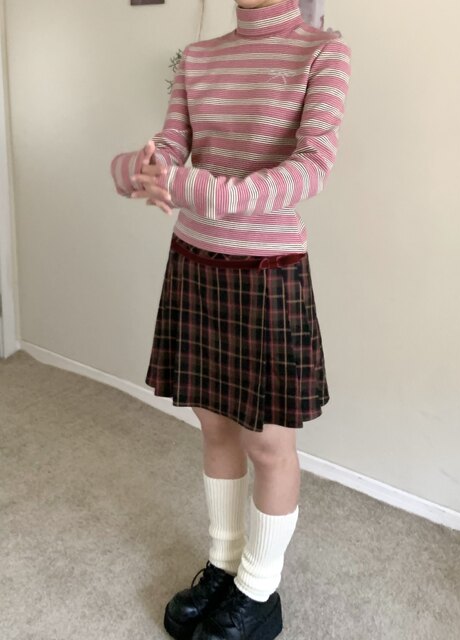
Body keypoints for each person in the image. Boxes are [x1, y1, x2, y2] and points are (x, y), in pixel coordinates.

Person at [110, 0, 351, 638]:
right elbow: (168, 149)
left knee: (268, 445)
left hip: (267, 269)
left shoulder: (323, 50)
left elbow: (313, 165)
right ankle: (223, 566)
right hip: (194, 259)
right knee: (214, 426)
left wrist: (211, 193)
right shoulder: (199, 57)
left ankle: (259, 591)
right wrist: (136, 169)